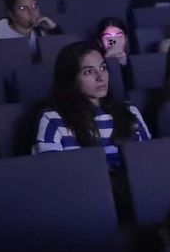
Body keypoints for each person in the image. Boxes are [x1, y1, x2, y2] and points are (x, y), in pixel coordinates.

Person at [33, 42, 150, 170]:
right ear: (71, 79)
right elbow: (52, 173)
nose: (100, 77)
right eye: (88, 72)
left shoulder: (130, 110)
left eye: (103, 68)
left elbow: (149, 162)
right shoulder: (52, 118)